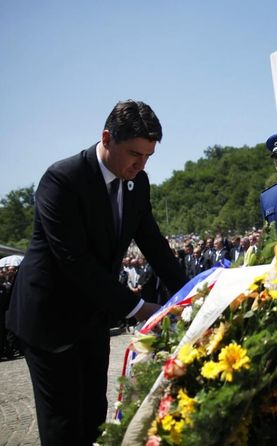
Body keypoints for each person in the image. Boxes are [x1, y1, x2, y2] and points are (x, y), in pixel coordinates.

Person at [6, 100, 188, 446]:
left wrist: (192, 292)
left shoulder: (138, 183)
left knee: (94, 417)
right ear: (107, 137)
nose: (141, 164)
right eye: (135, 153)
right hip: (50, 320)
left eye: (149, 156)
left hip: (92, 317)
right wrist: (139, 309)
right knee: (63, 424)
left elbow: (155, 246)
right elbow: (74, 261)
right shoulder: (62, 179)